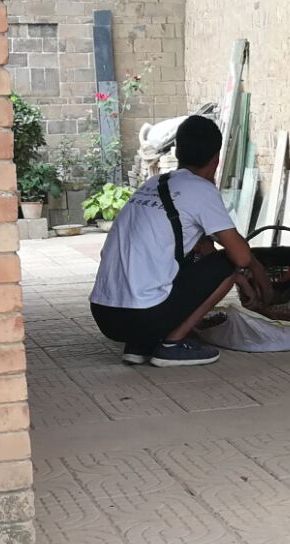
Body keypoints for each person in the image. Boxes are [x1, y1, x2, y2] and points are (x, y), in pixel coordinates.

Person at [89, 115, 270, 367]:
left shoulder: (153, 183)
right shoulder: (201, 189)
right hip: (143, 315)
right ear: (216, 160)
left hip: (104, 314)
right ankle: (171, 345)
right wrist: (254, 272)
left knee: (186, 259)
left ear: (177, 152)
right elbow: (240, 256)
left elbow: (200, 247)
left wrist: (242, 278)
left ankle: (140, 345)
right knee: (226, 264)